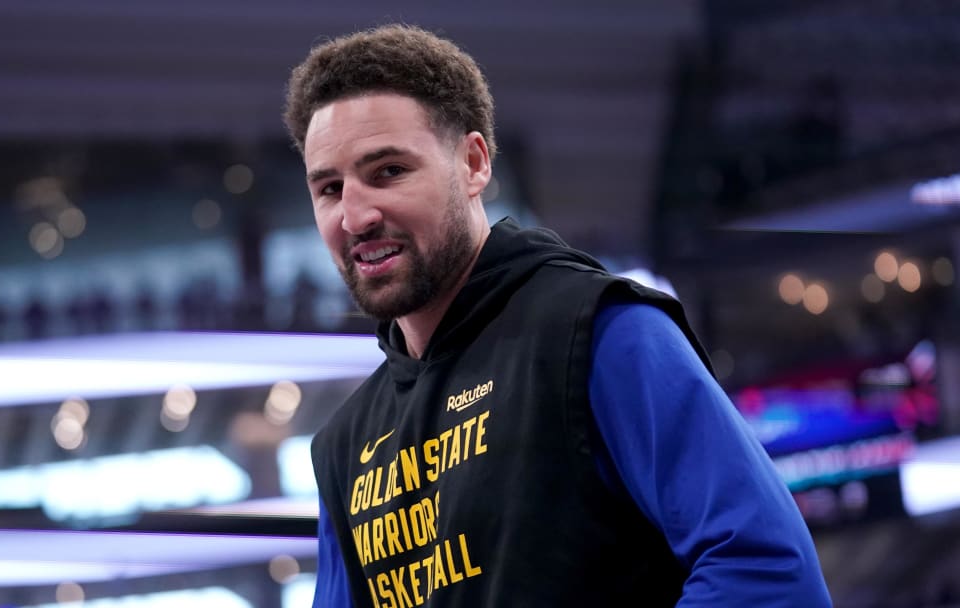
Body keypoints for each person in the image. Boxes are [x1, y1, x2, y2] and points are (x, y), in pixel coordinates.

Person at [284, 24, 832, 607]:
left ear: (473, 163)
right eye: (330, 189)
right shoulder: (344, 445)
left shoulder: (601, 333)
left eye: (388, 171)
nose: (355, 214)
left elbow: (766, 572)